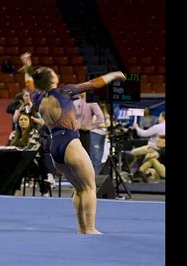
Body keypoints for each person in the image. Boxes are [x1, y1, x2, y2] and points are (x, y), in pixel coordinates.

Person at [20, 52, 126, 234]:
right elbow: (94, 84)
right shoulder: (65, 91)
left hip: (55, 147)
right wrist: (114, 74)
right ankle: (90, 228)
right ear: (52, 80)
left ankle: (81, 227)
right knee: (90, 186)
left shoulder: (38, 99)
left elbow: (30, 86)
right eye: (52, 72)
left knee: (79, 188)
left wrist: (28, 68)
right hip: (70, 142)